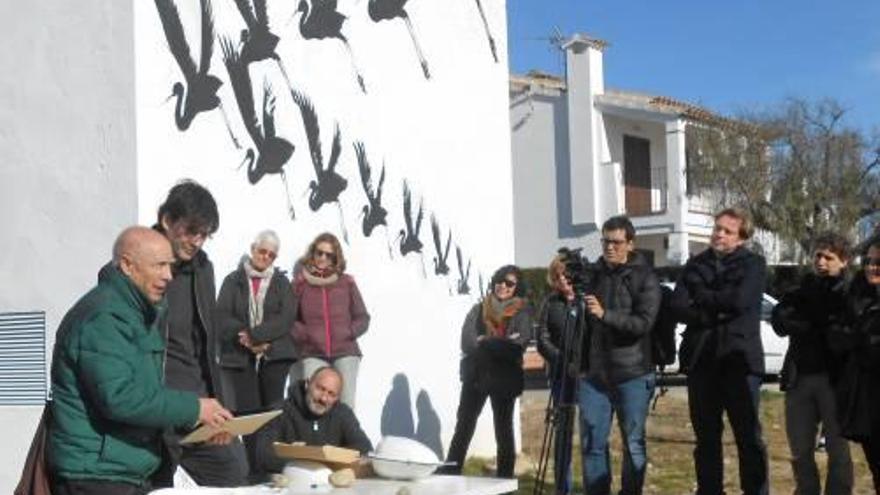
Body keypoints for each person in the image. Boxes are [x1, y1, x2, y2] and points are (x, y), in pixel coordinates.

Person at [48, 227, 233, 495]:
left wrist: (199, 423)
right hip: (96, 475)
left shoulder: (140, 313)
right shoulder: (105, 316)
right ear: (127, 265)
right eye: (159, 266)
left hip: (124, 470)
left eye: (170, 266)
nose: (168, 276)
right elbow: (120, 398)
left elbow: (146, 395)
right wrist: (194, 409)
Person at [150, 180, 248, 488]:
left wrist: (218, 406)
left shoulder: (204, 269)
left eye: (205, 234)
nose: (197, 241)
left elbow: (206, 349)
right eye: (192, 230)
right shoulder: (136, 265)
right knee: (158, 485)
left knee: (233, 470)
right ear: (167, 220)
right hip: (156, 408)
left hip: (199, 406)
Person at [670, 206, 769, 495]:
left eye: (727, 231)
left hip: (739, 361)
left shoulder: (753, 264)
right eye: (717, 228)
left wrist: (701, 297)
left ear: (741, 237)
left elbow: (740, 301)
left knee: (748, 437)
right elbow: (677, 305)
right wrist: (708, 312)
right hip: (702, 360)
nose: (719, 234)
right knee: (706, 438)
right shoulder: (695, 264)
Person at [577, 216, 661, 495]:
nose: (609, 247)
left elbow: (643, 324)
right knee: (592, 443)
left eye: (616, 242)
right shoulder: (593, 274)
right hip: (595, 375)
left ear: (630, 243)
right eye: (605, 241)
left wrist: (605, 315)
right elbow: (582, 322)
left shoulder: (644, 277)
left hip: (633, 373)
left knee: (633, 443)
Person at [771, 232, 853, 495]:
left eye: (829, 257)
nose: (821, 262)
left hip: (835, 381)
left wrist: (811, 324)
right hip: (800, 377)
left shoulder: (849, 293)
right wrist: (807, 324)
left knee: (838, 451)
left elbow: (840, 331)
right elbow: (780, 321)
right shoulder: (801, 288)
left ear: (844, 261)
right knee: (800, 449)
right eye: (818, 255)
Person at [217, 230, 296, 480]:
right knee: (249, 413)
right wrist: (244, 337)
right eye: (262, 251)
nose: (266, 257)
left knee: (272, 412)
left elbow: (286, 317)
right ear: (253, 249)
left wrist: (258, 337)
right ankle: (251, 469)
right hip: (240, 355)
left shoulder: (282, 283)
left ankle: (271, 466)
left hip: (274, 354)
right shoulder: (234, 280)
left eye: (272, 255)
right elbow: (222, 314)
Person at [442, 265, 533, 479]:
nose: (503, 286)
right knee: (464, 422)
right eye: (499, 281)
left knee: (503, 429)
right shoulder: (478, 309)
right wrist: (498, 343)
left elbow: (517, 344)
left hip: (504, 378)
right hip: (476, 375)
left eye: (509, 283)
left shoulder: (522, 312)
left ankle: (504, 477)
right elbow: (467, 342)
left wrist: (486, 342)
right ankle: (452, 468)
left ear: (516, 288)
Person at [290, 232, 370, 408]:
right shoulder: (300, 284)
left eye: (329, 255)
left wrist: (349, 332)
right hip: (312, 352)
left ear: (336, 258)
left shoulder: (346, 282)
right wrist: (305, 334)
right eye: (319, 253)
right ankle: (311, 437)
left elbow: (363, 317)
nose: (323, 258)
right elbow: (289, 319)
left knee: (345, 406)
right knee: (313, 403)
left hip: (345, 351)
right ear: (313, 253)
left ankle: (343, 437)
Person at [252, 367, 373, 476]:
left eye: (331, 394)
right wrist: (311, 460)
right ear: (307, 383)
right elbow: (264, 455)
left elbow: (364, 448)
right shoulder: (279, 411)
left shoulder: (342, 413)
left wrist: (327, 459)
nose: (323, 398)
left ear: (337, 398)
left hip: (329, 484)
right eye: (320, 388)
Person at [831, 237, 880, 490]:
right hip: (865, 401)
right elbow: (838, 337)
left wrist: (860, 339)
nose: (872, 267)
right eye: (868, 261)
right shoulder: (857, 296)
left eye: (878, 262)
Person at [536, 255, 580, 494]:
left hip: (587, 375)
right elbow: (542, 339)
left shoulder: (587, 299)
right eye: (558, 275)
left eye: (566, 274)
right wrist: (561, 360)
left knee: (592, 434)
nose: (562, 279)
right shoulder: (550, 302)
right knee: (562, 434)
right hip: (561, 374)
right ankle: (563, 489)